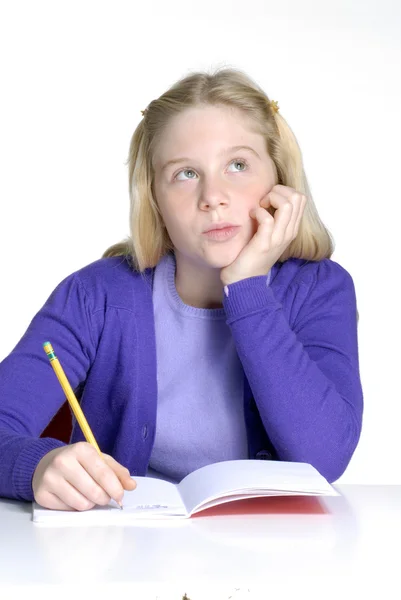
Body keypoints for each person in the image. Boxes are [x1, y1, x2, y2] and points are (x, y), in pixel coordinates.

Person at [0, 68, 363, 511]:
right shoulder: (95, 295)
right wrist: (39, 465)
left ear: (280, 180)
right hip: (121, 555)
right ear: (154, 197)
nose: (214, 196)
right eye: (186, 174)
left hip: (270, 561)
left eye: (238, 165)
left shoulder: (320, 289)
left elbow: (325, 457)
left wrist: (246, 287)